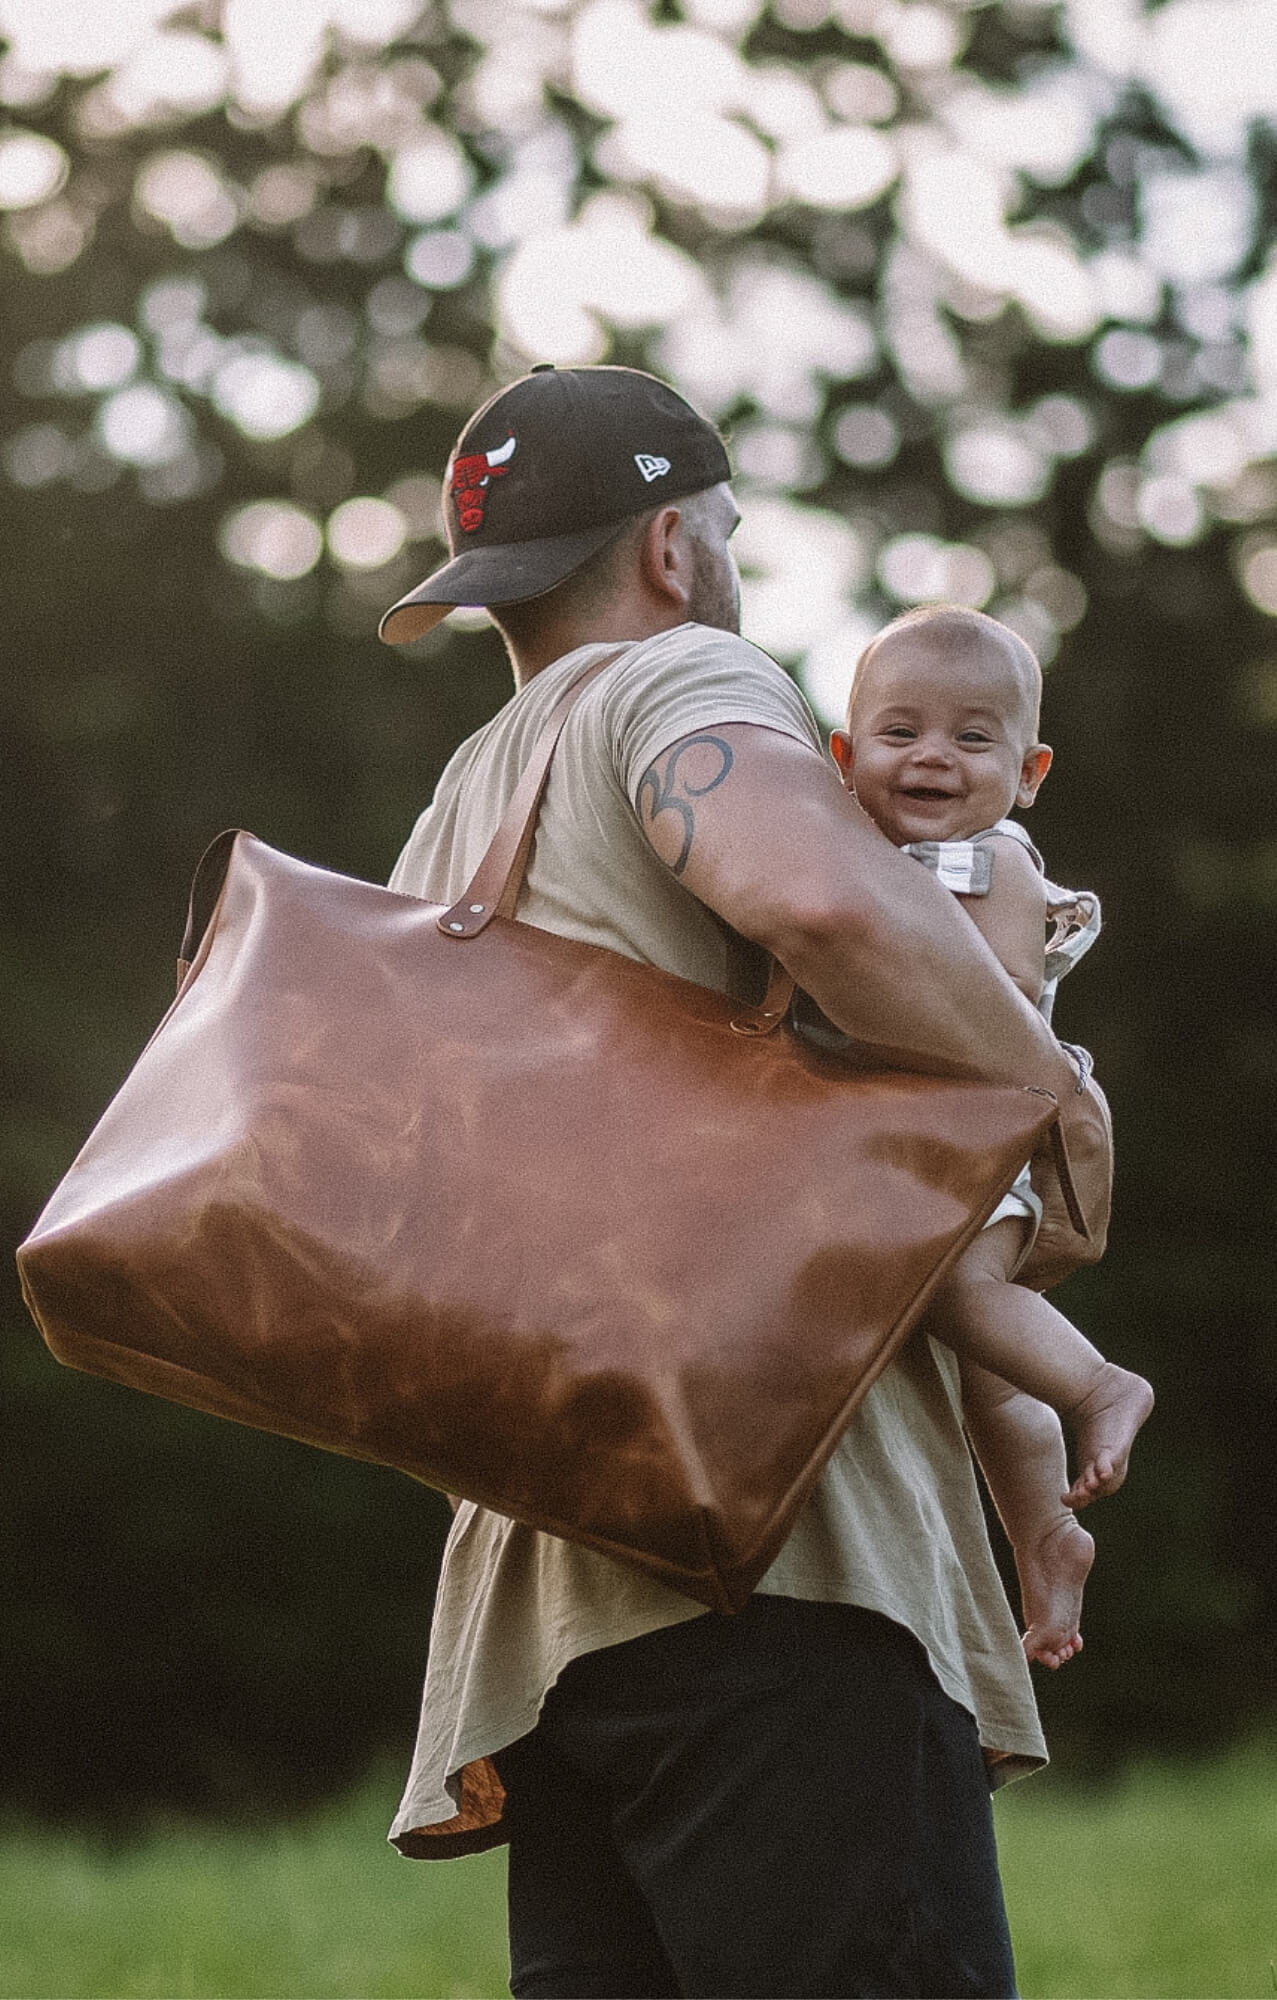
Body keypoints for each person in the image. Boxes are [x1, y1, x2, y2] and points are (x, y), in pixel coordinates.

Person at [377, 363, 1111, 1999]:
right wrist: (1045, 1097)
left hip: (546, 1617)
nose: (725, 558)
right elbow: (830, 909)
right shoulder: (686, 680)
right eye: (720, 527)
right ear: (666, 543)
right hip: (783, 1555)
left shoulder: (450, 822)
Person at [824, 604, 1152, 1673]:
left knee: (963, 1298)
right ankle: (1043, 1539)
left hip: (982, 1133)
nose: (931, 756)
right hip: (932, 1141)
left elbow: (1000, 988)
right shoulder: (869, 851)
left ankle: (1101, 1383)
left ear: (1026, 771)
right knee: (982, 1372)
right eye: (900, 731)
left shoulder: (985, 859)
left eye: (972, 739)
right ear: (844, 755)